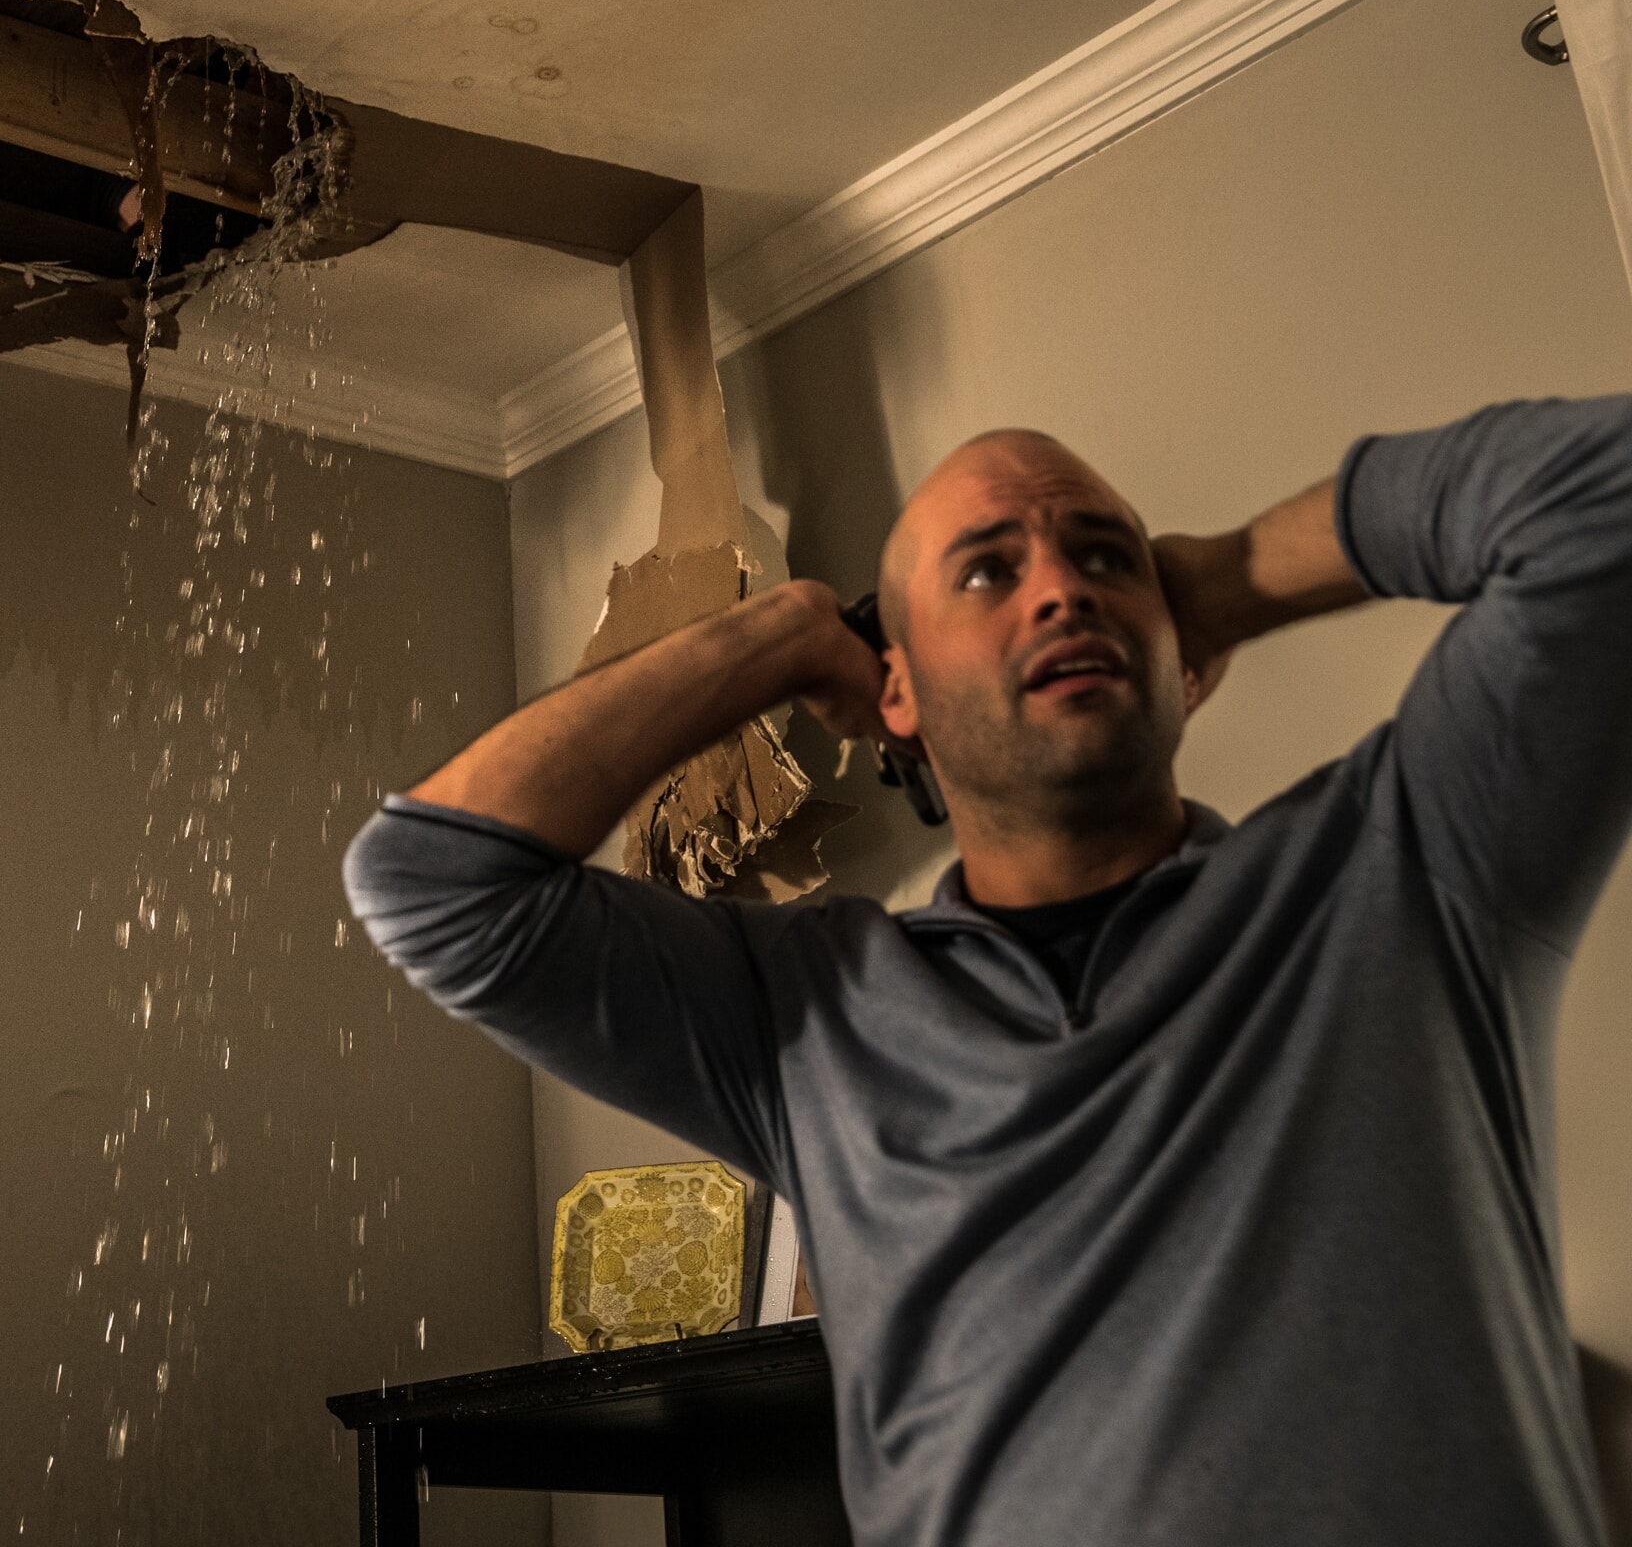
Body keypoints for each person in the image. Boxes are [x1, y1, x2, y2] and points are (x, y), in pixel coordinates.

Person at [343, 397, 1632, 1547]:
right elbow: (431, 884)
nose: (1062, 590)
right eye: (988, 571)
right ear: (892, 689)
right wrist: (781, 635)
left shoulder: (1405, 869)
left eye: (1105, 558)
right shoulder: (800, 1016)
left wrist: (1228, 575)